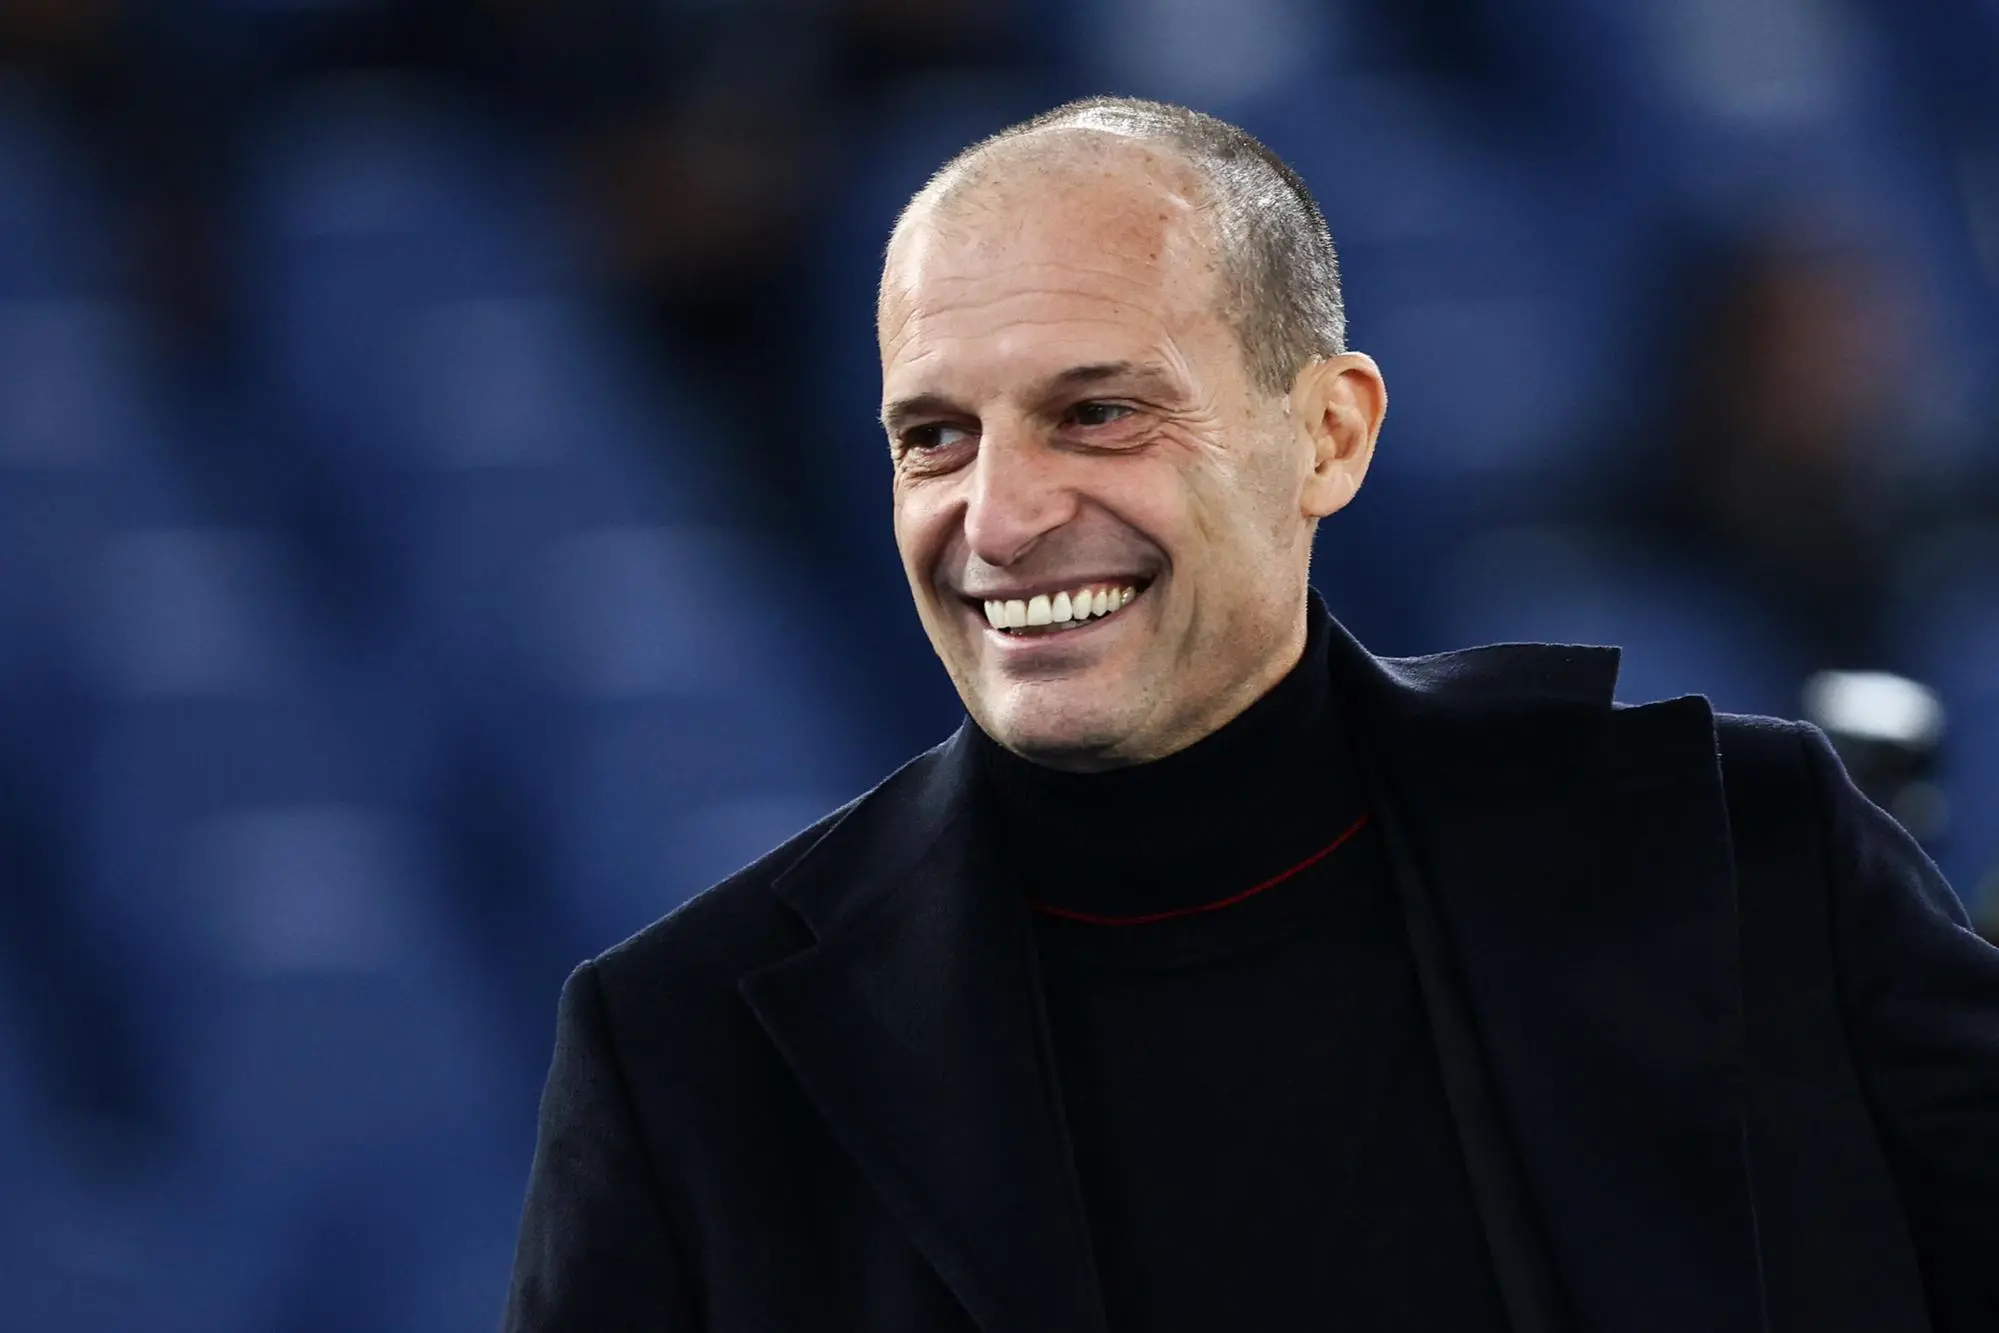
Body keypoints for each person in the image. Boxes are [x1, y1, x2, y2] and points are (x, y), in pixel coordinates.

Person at [501, 97, 1999, 1333]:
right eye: (933, 437)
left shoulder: (1744, 865)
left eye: (1099, 412)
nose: (1000, 517)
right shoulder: (686, 1056)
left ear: (1328, 434)